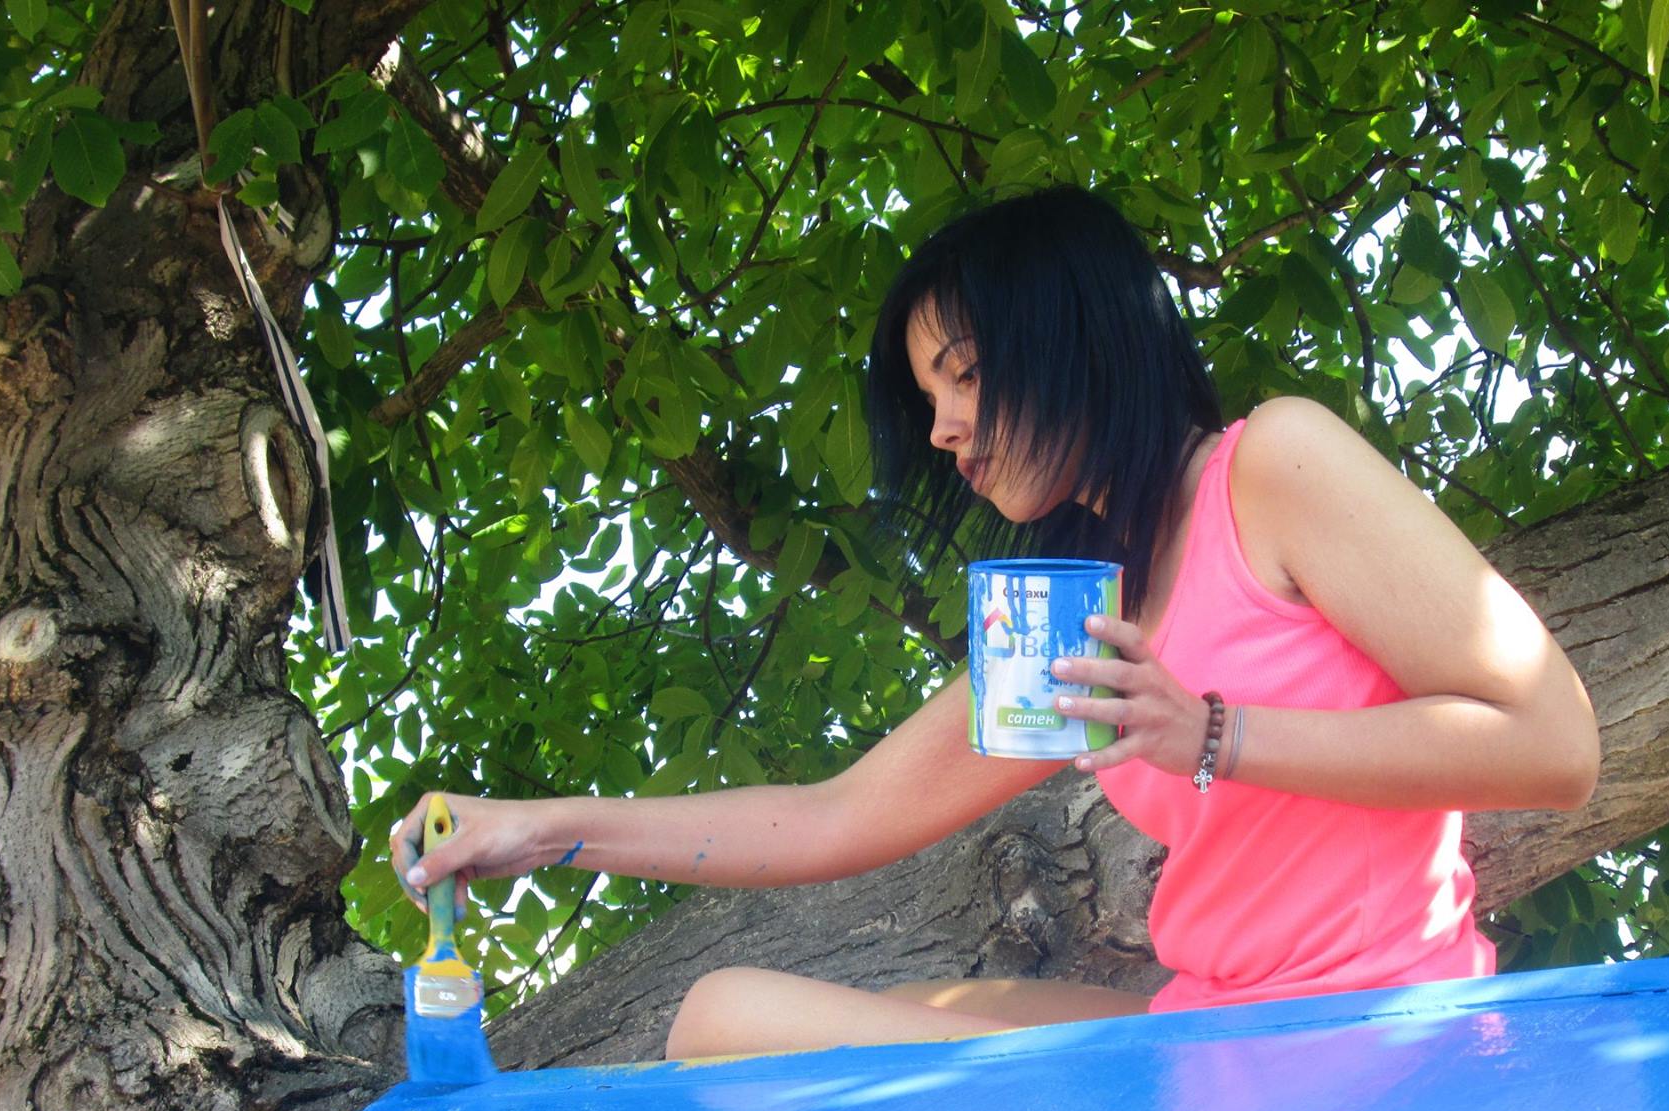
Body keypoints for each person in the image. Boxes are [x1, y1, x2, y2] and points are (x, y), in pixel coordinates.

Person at [392, 185, 1599, 1061]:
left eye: (964, 373)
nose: (941, 429)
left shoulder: (1270, 467)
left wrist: (1215, 733)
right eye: (928, 396)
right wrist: (543, 831)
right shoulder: (1075, 603)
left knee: (737, 1028)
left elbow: (1554, 746)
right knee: (756, 1021)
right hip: (1216, 1026)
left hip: (1370, 1036)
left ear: (1075, 334)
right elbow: (834, 816)